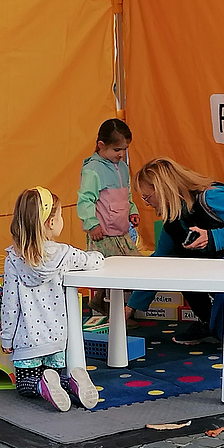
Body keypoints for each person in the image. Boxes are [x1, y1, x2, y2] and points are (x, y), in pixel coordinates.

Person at [125, 158, 224, 345]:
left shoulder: (211, 197)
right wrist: (130, 307)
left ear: (162, 189)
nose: (147, 204)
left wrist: (213, 237)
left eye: (147, 197)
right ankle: (211, 323)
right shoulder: (173, 220)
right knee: (180, 265)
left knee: (195, 264)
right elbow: (160, 262)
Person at [0, 187, 104, 411]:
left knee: (26, 385)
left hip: (27, 338)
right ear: (50, 223)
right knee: (53, 374)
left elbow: (9, 304)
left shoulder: (14, 259)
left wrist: (7, 338)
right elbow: (94, 261)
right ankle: (72, 382)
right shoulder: (64, 254)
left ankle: (42, 386)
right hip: (58, 335)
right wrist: (99, 255)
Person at [76, 119, 140, 317]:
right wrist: (91, 224)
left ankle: (106, 305)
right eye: (117, 149)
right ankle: (117, 315)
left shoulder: (121, 166)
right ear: (101, 145)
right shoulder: (93, 169)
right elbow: (85, 199)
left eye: (125, 149)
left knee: (134, 268)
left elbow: (126, 193)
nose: (121, 154)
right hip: (102, 235)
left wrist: (132, 210)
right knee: (111, 272)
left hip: (121, 232)